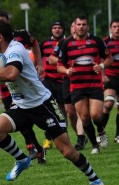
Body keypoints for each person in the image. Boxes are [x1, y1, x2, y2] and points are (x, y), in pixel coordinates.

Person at [0, 19, 104, 185]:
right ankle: (22, 160)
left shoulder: (15, 50)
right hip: (22, 106)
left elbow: (12, 73)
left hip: (43, 105)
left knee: (67, 151)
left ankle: (96, 181)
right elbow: (8, 75)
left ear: (0, 37)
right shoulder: (0, 53)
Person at [0, 8, 45, 163]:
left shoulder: (21, 36)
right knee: (17, 120)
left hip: (27, 86)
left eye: (1, 21)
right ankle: (34, 148)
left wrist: (39, 62)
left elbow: (35, 44)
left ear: (8, 21)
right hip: (7, 89)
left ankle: (36, 146)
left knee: (36, 117)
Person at [57, 16, 113, 154]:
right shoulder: (66, 44)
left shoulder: (96, 41)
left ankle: (101, 130)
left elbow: (109, 58)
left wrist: (101, 65)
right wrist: (67, 71)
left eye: (84, 24)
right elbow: (59, 65)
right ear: (74, 26)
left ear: (88, 27)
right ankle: (95, 146)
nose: (81, 27)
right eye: (79, 24)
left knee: (96, 115)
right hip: (76, 87)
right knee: (85, 118)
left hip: (94, 85)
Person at [49, 21, 88, 151]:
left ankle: (81, 138)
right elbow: (51, 59)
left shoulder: (89, 42)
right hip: (67, 80)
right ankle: (81, 136)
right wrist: (65, 61)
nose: (75, 28)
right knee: (70, 113)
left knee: (81, 110)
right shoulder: (63, 43)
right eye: (73, 26)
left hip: (83, 80)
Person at [40, 21, 66, 149]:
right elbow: (37, 58)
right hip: (48, 80)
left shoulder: (67, 43)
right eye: (54, 27)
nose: (57, 30)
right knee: (47, 108)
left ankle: (63, 135)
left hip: (63, 81)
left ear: (63, 30)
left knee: (63, 110)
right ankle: (47, 138)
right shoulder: (44, 44)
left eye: (59, 28)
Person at [101, 18, 119, 143]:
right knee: (108, 104)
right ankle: (101, 132)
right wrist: (102, 75)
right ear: (110, 28)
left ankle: (118, 135)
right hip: (110, 76)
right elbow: (100, 59)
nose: (117, 29)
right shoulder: (105, 42)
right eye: (115, 26)